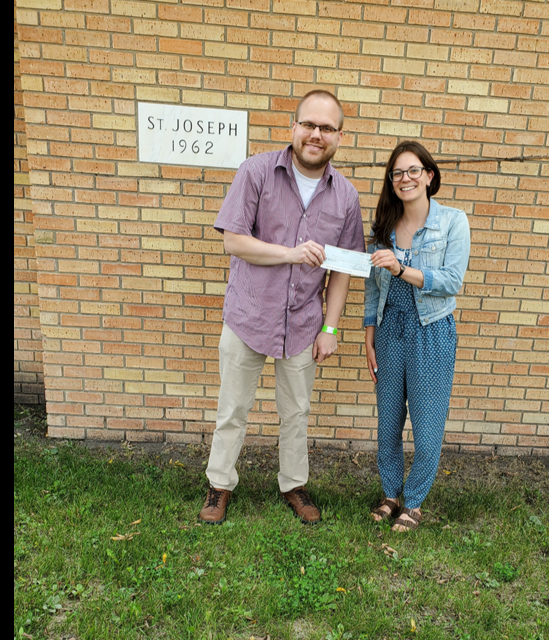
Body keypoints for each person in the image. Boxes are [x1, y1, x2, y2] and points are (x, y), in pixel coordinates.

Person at [199, 90, 365, 526]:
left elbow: (343, 270)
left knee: (296, 412)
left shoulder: (345, 196)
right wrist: (291, 253)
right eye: (308, 124)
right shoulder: (256, 172)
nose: (316, 134)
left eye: (326, 128)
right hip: (249, 314)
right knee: (232, 408)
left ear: (339, 137)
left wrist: (330, 329)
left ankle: (294, 484)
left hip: (304, 323)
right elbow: (232, 240)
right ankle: (220, 485)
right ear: (292, 127)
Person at [364, 141, 471, 532]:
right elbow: (373, 288)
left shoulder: (453, 222)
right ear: (392, 182)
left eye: (413, 171)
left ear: (429, 176)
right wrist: (368, 335)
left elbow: (452, 281)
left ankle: (415, 501)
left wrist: (400, 268)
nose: (405, 178)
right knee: (388, 423)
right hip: (390, 329)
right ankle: (391, 494)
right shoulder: (383, 227)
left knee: (427, 429)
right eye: (397, 173)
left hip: (432, 332)